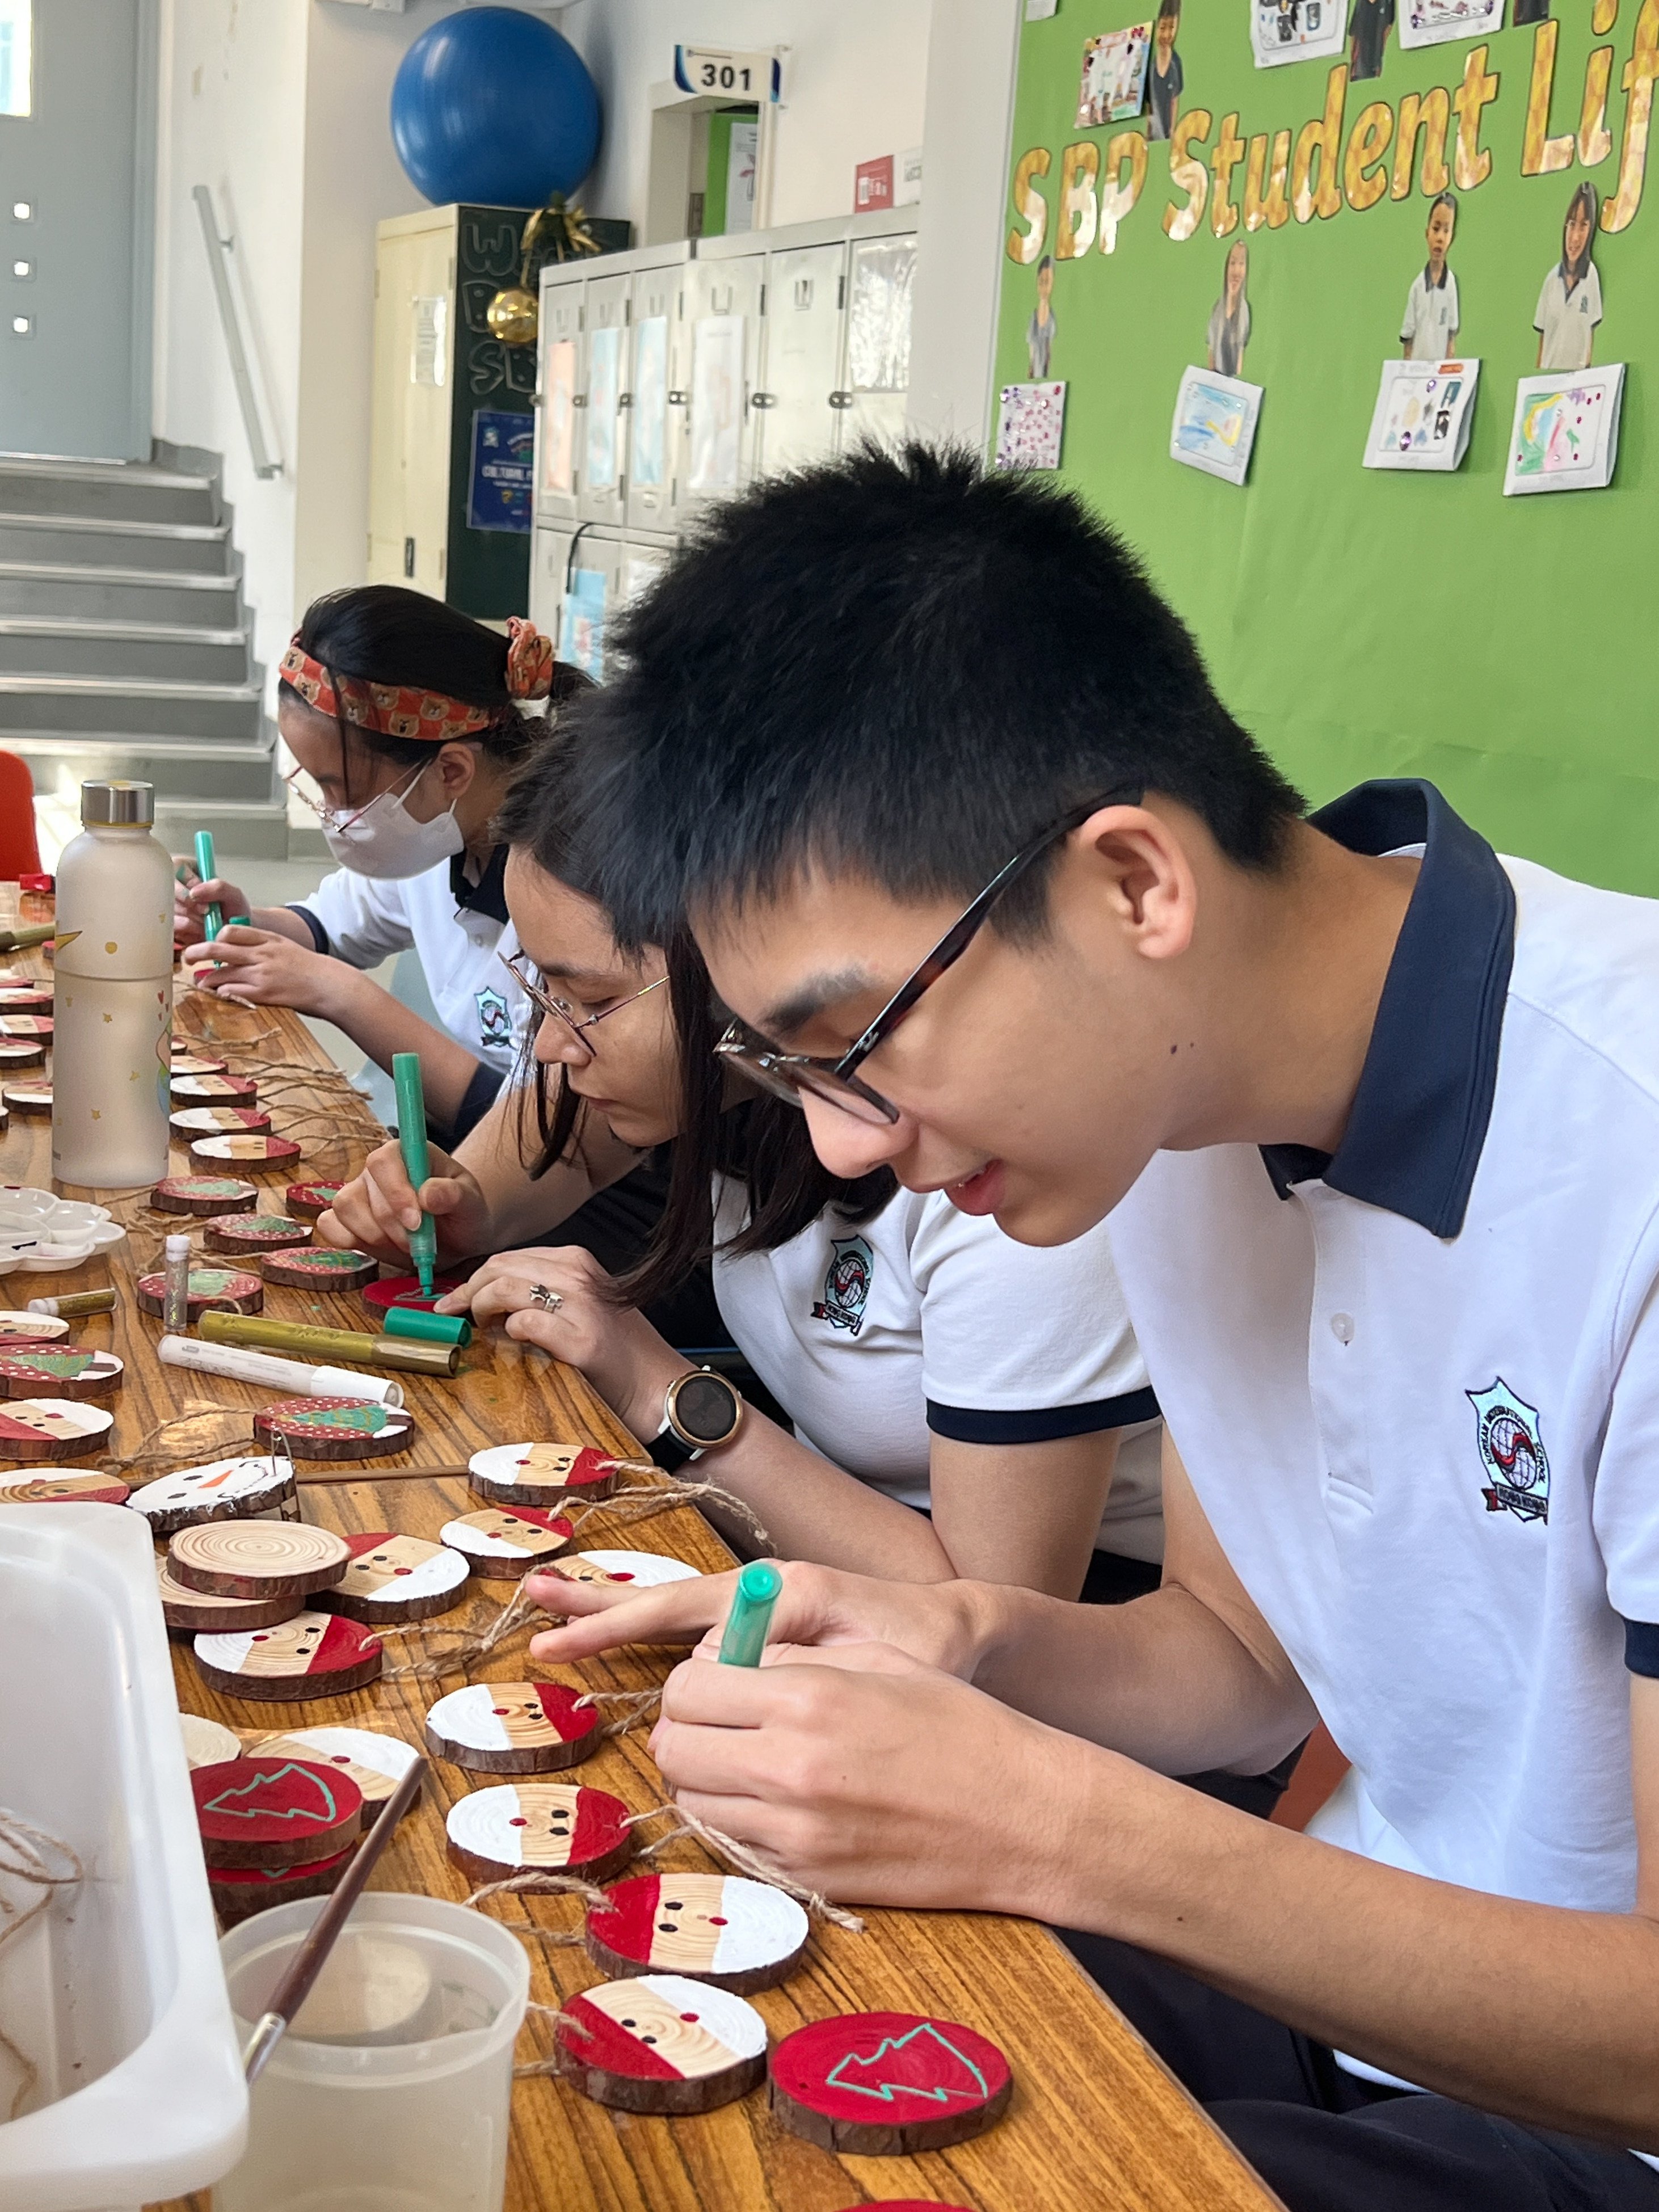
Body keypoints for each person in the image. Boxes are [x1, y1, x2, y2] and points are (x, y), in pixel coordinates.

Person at [525, 446, 1659, 2212]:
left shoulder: (1625, 1149)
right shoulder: (1178, 1122)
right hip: (1341, 1998)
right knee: (649, 2028)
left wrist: (1049, 1823)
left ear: (1131, 883)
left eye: (856, 1043)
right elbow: (1234, 1661)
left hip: (1590, 2116)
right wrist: (951, 1633)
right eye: (789, 1071)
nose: (838, 1144)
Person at [321, 737, 1195, 1624]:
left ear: (734, 964)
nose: (551, 1041)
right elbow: (498, 1186)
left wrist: (663, 1390)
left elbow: (992, 1621)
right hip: (808, 1544)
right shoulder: (702, 1073)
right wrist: (449, 1206)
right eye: (541, 989)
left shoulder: (987, 1165)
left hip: (1079, 1636)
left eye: (586, 1001)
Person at [177, 585, 576, 1143]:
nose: (333, 814)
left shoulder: (569, 888)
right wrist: (240, 922)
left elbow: (539, 1134)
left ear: (452, 771)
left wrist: (342, 995)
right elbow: (330, 928)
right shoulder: (442, 831)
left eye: (340, 788)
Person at [1535, 180, 1602, 373]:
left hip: (1577, 384)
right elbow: (1543, 339)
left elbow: (1591, 335)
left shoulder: (1591, 277)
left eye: (1584, 226)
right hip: (1549, 381)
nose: (1575, 237)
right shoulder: (1551, 279)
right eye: (1572, 224)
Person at [1400, 191, 1459, 360]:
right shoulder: (1418, 287)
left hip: (1440, 375)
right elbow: (1408, 339)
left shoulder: (1451, 284)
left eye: (1446, 231)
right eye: (1436, 229)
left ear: (1451, 238)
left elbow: (1451, 335)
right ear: (1427, 233)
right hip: (1417, 374)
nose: (1440, 238)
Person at [1206, 241, 1250, 380]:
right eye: (1232, 263)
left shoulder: (1244, 310)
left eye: (1241, 264)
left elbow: (1239, 361)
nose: (1236, 271)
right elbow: (1211, 350)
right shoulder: (1218, 308)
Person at [1147, 0, 1182, 142]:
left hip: (1167, 133)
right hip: (1154, 129)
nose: (1167, 35)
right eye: (1162, 28)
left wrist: (1173, 131)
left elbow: (1175, 100)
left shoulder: (1175, 63)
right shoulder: (1151, 65)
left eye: (1172, 27)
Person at [1026, 255, 1057, 381]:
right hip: (1036, 370)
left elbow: (1051, 347)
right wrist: (1031, 366)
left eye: (1048, 282)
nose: (1044, 287)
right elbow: (1032, 345)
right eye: (1041, 282)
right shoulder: (1034, 317)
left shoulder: (1052, 318)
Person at [1348, 0, 1393, 80]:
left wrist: (1378, 63)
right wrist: (1353, 64)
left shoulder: (1387, 3)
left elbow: (1388, 28)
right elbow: (1353, 35)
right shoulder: (1360, 4)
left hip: (1375, 63)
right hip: (1360, 66)